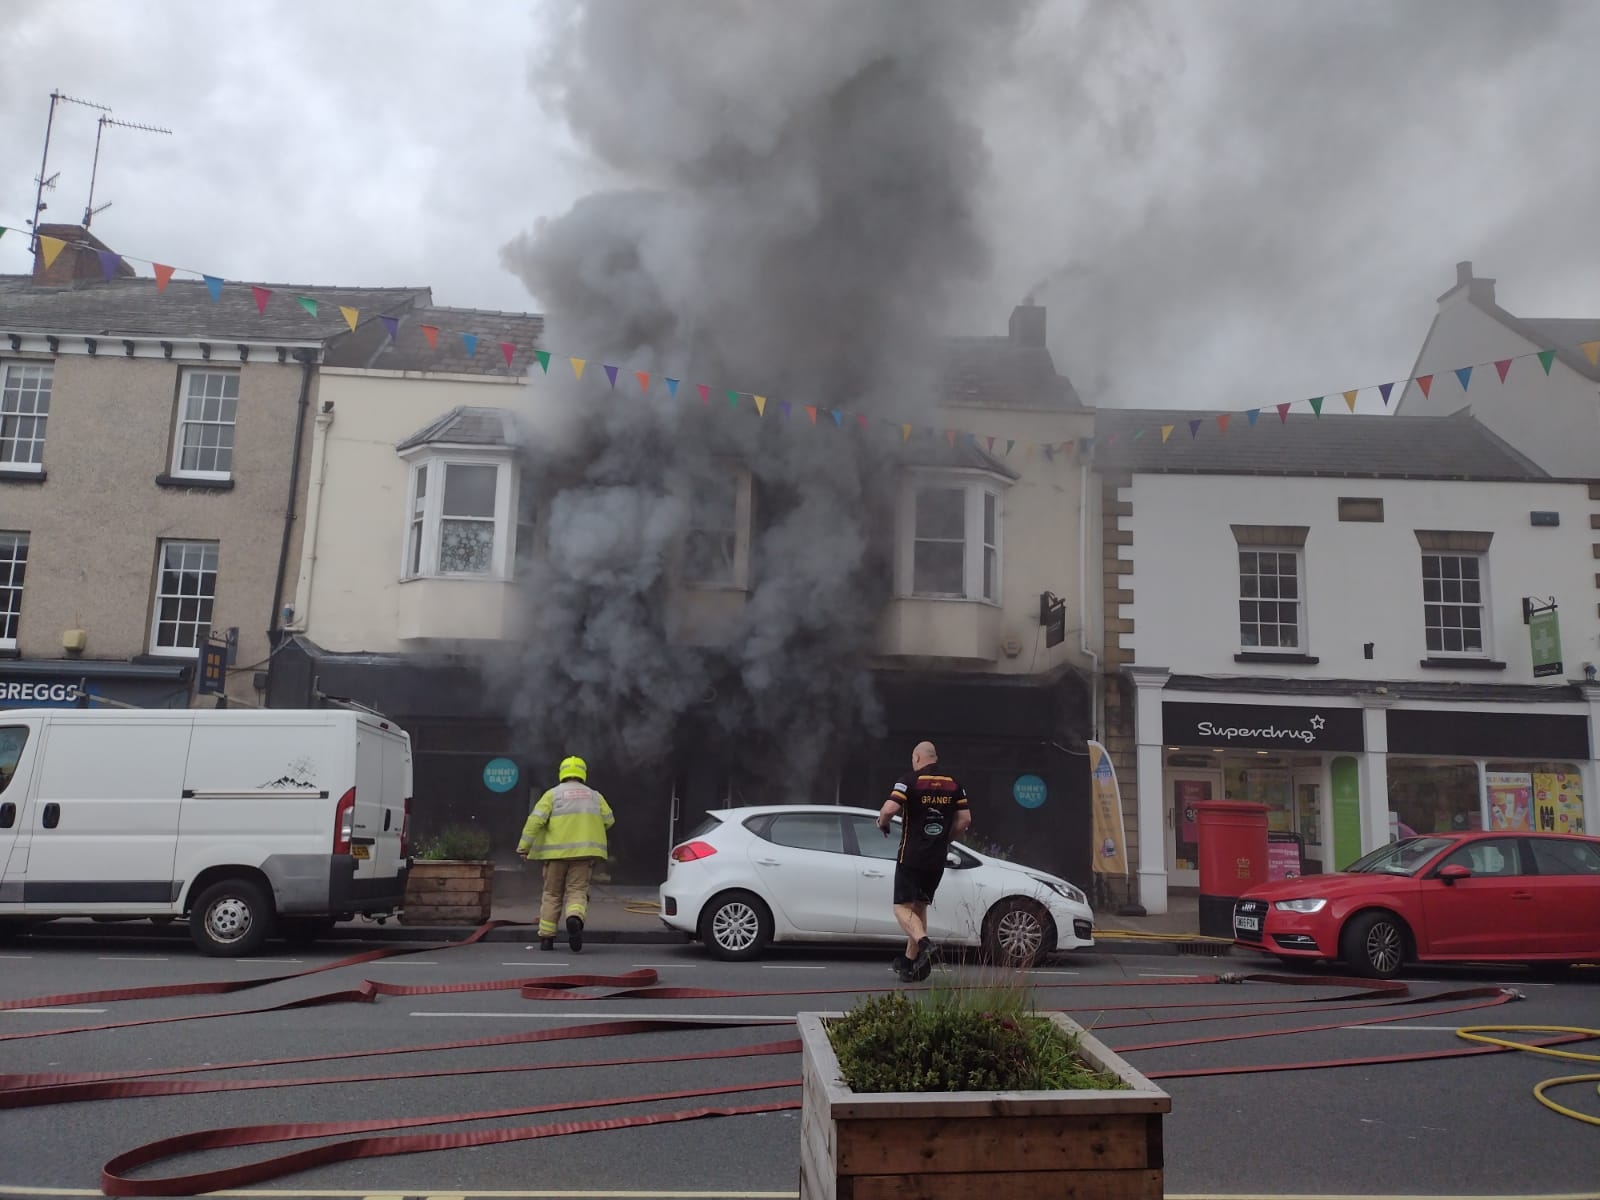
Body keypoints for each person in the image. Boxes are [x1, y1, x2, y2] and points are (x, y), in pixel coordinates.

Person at [877, 740, 970, 983]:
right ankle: (911, 963)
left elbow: (888, 810)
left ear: (917, 758)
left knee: (901, 907)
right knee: (919, 907)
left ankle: (925, 944)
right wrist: (944, 840)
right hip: (936, 859)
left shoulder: (909, 781)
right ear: (935, 758)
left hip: (911, 856)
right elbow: (965, 820)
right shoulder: (954, 784)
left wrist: (883, 823)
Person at [517, 755, 614, 953]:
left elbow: (534, 822)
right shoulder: (595, 796)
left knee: (551, 894)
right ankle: (574, 919)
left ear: (562, 773)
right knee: (577, 892)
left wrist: (524, 846)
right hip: (582, 856)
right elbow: (609, 820)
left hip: (554, 857)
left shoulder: (552, 795)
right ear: (582, 773)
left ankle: (546, 939)